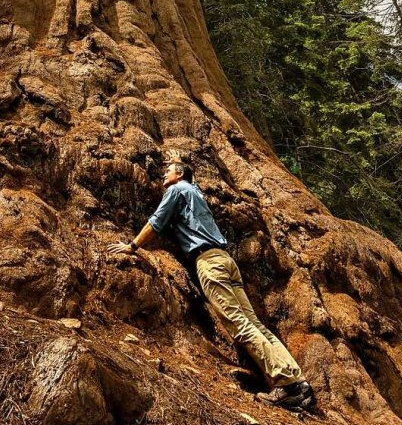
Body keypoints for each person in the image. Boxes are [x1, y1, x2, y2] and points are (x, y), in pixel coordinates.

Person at [109, 160, 315, 412]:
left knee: (239, 324)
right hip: (226, 260)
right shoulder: (197, 194)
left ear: (180, 174)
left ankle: (287, 384)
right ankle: (297, 380)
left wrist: (132, 246)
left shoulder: (177, 190)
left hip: (209, 262)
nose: (164, 173)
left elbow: (157, 221)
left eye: (168, 170)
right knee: (254, 323)